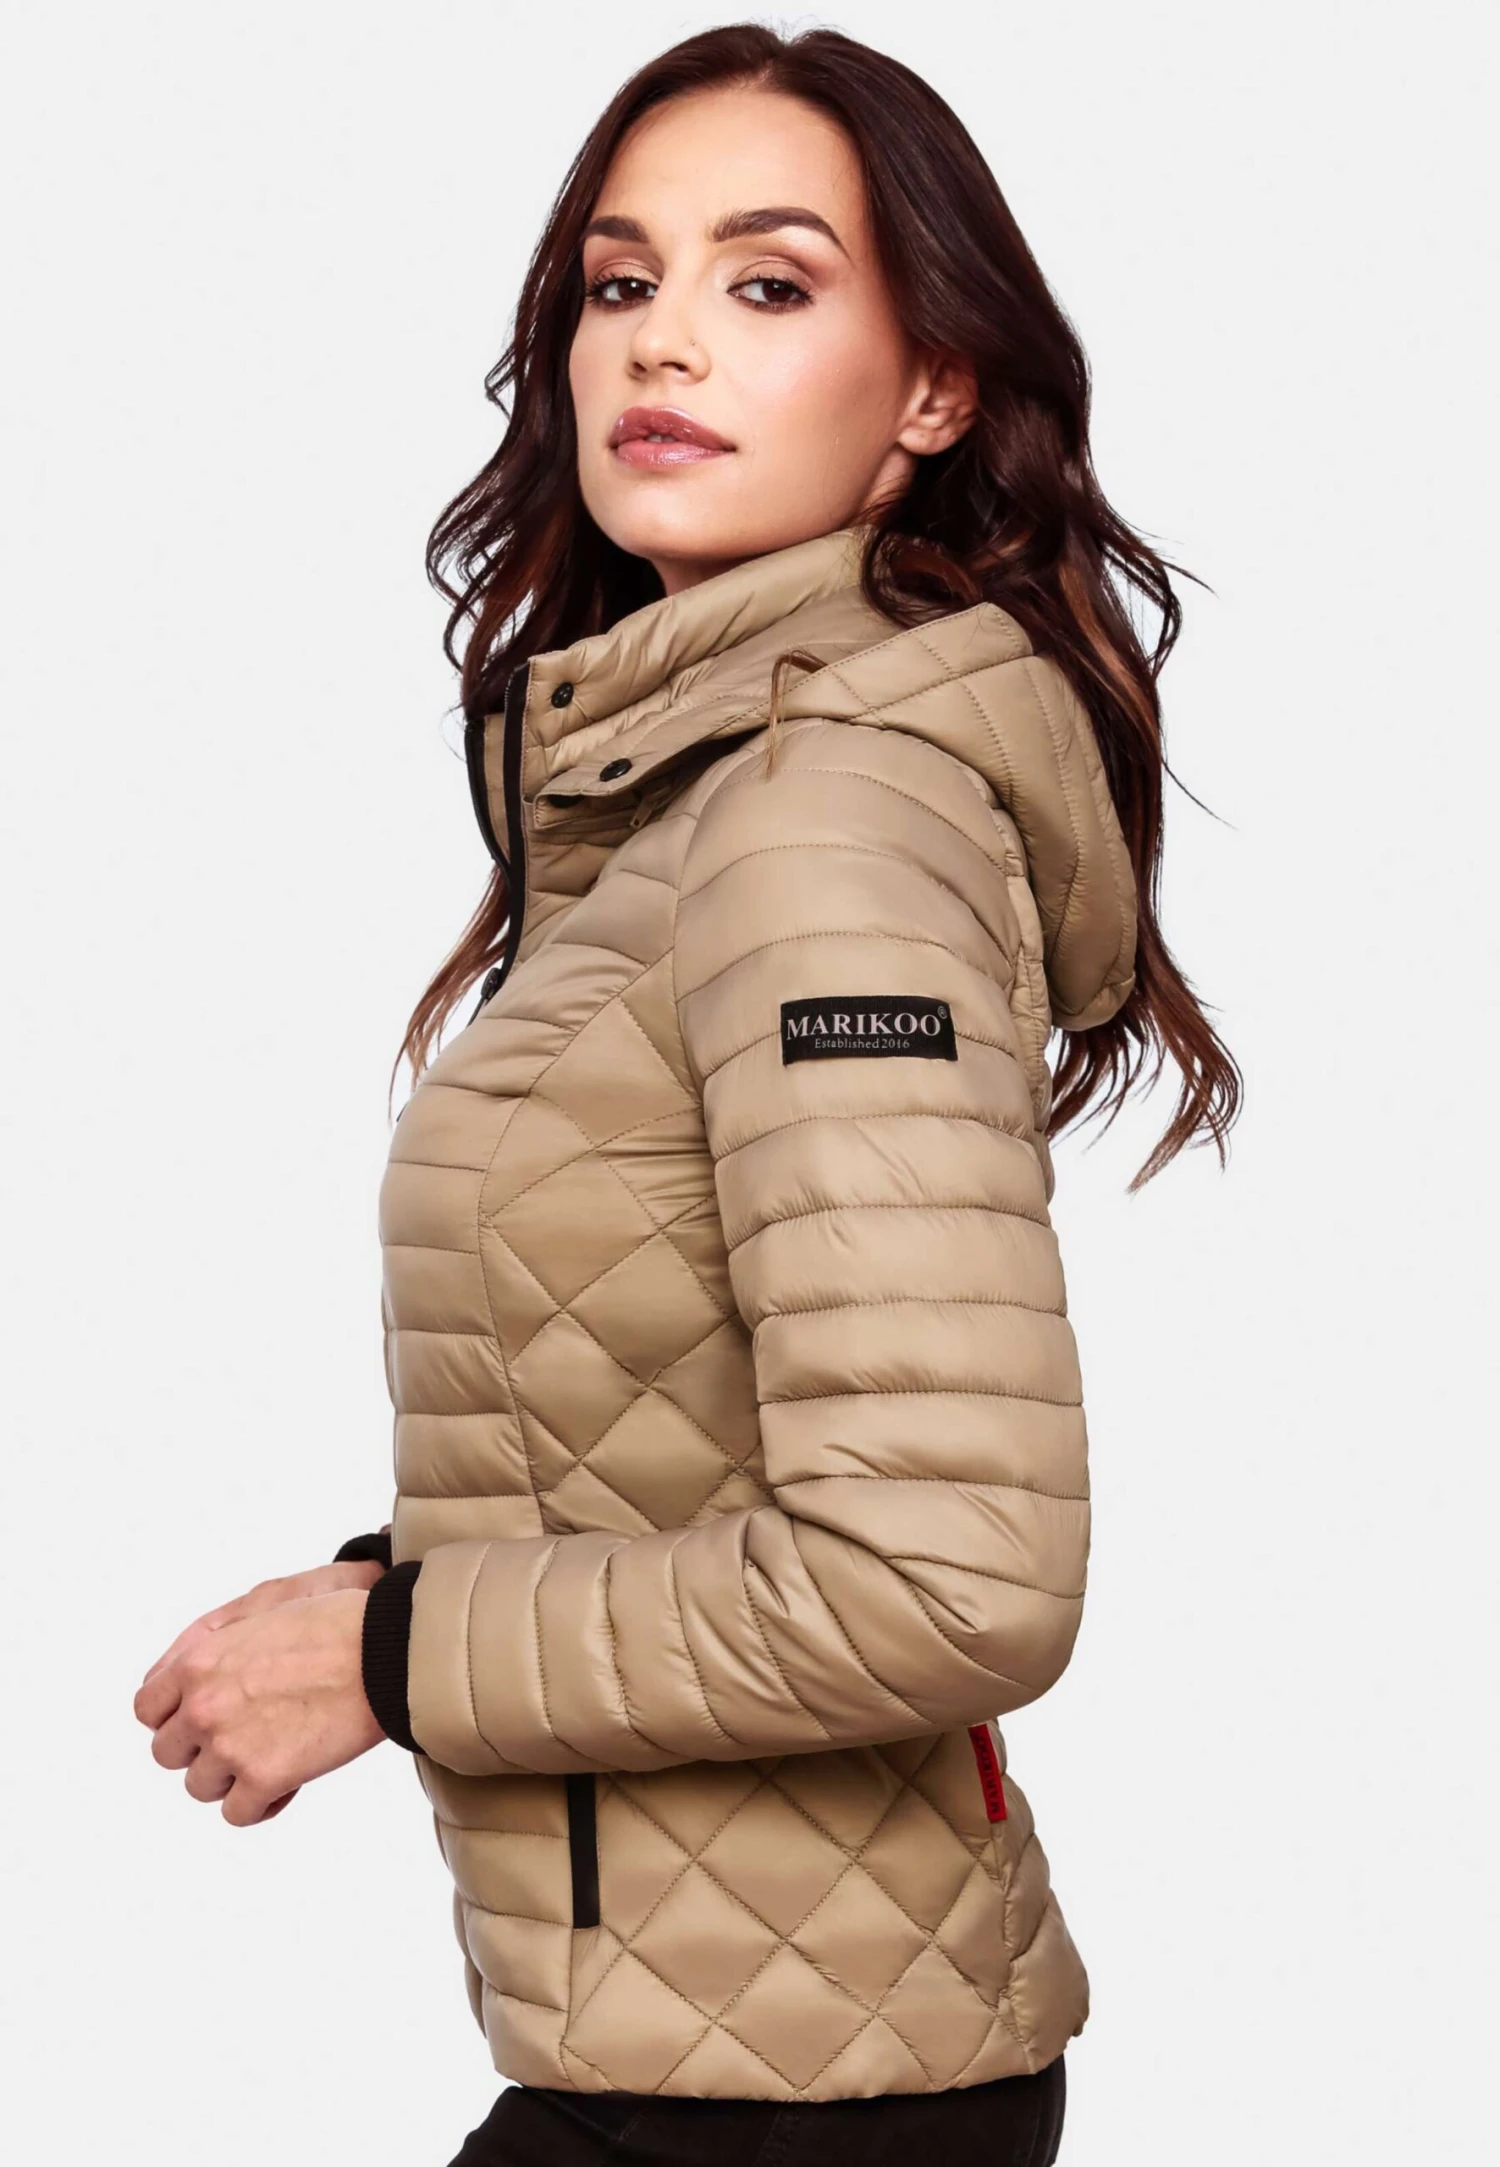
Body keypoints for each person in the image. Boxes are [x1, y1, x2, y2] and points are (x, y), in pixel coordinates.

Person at [134, 23, 1239, 2164]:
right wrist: (383, 1591)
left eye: (770, 281)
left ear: (934, 392)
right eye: (621, 282)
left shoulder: (827, 821)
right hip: (729, 2058)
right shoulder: (691, 799)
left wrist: (396, 1656)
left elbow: (949, 1575)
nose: (662, 340)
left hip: (790, 2109)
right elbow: (669, 1407)